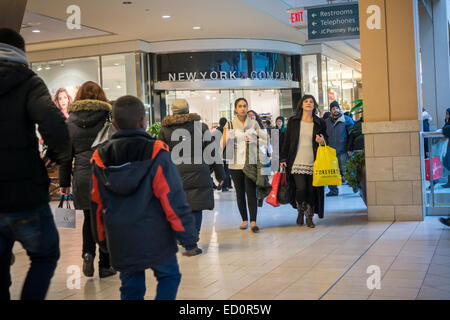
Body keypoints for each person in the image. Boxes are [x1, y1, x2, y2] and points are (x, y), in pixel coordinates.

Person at [91, 95, 198, 300]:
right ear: (143, 120)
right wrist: (189, 238)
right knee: (169, 276)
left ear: (114, 124)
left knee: (131, 287)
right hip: (156, 236)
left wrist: (102, 240)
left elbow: (96, 204)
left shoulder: (100, 157)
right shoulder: (156, 152)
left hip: (120, 238)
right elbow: (172, 199)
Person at [0, 28, 70, 300]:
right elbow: (54, 123)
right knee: (44, 255)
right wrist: (55, 153)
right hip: (24, 193)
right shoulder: (29, 82)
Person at [58, 81, 115, 278]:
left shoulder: (69, 122)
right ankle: (105, 265)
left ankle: (87, 253)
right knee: (104, 218)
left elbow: (65, 157)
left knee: (89, 218)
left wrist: (64, 183)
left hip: (82, 177)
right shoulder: (108, 118)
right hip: (104, 174)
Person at [158, 99, 224, 253]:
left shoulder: (164, 130)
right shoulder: (201, 127)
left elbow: (160, 155)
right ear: (188, 111)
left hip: (175, 175)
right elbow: (212, 153)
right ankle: (192, 243)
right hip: (198, 173)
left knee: (177, 207)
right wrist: (220, 173)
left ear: (172, 112)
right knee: (196, 208)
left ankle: (181, 236)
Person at [221, 99, 268, 233]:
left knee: (251, 192)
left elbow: (265, 140)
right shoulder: (229, 124)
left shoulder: (253, 123)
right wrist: (227, 138)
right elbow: (221, 145)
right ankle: (244, 220)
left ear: (247, 108)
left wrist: (255, 140)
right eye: (240, 106)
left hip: (250, 163)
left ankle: (253, 221)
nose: (242, 108)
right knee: (240, 193)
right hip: (235, 164)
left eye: (244, 106)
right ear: (235, 109)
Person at [280, 95, 327, 228]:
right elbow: (286, 141)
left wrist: (322, 141)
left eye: (311, 101)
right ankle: (300, 211)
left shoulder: (319, 122)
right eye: (306, 101)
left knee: (312, 190)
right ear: (301, 104)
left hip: (314, 160)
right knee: (301, 188)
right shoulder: (293, 121)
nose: (308, 103)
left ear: (314, 106)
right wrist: (283, 158)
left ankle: (309, 217)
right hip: (296, 160)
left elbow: (326, 139)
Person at [324, 101, 355, 196]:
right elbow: (324, 135)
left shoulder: (347, 120)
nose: (335, 110)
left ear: (339, 109)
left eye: (337, 108)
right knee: (331, 172)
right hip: (330, 151)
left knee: (346, 170)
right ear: (331, 110)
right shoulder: (326, 122)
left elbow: (352, 135)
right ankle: (333, 190)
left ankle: (355, 187)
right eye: (333, 108)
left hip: (343, 151)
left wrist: (350, 148)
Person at [216, 117, 232, 192]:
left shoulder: (216, 130)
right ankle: (225, 186)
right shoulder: (227, 130)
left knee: (220, 169)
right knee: (227, 169)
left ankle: (225, 184)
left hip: (218, 151)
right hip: (226, 152)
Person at [441, 109, 450, 188]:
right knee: (447, 162)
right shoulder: (447, 122)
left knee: (448, 163)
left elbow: (445, 130)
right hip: (448, 146)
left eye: (447, 113)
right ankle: (449, 182)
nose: (446, 115)